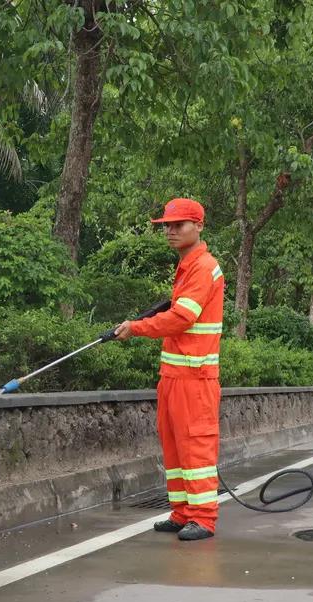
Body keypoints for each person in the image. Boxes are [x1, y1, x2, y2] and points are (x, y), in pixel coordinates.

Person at [113, 198, 225, 541]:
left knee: (196, 448)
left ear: (199, 226)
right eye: (167, 226)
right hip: (175, 378)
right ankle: (181, 512)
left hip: (195, 380)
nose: (171, 231)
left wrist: (137, 327)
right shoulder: (188, 267)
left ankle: (203, 518)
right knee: (175, 447)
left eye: (179, 225)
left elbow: (182, 318)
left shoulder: (203, 267)